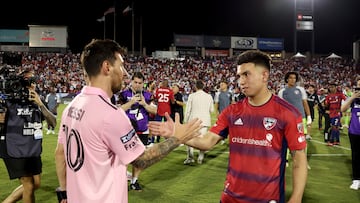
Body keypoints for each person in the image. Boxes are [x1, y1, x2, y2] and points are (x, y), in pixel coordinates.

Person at [149, 50, 308, 203]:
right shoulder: (232, 112)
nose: (241, 81)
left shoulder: (288, 113)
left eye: (246, 74)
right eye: (239, 76)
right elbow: (206, 142)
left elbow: (299, 161)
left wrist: (296, 197)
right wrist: (178, 135)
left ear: (264, 75)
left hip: (267, 199)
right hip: (230, 198)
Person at [54, 39, 202, 203]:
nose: (124, 73)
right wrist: (176, 138)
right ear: (107, 67)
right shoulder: (110, 114)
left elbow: (60, 154)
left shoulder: (72, 106)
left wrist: (64, 192)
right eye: (121, 66)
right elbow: (141, 160)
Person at [0, 70, 56, 203]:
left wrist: (40, 104)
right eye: (30, 81)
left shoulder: (37, 99)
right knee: (29, 185)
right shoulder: (9, 101)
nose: (34, 84)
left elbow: (52, 123)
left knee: (35, 184)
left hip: (32, 148)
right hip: (14, 147)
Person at [118, 71, 157, 191]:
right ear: (131, 82)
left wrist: (144, 104)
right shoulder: (124, 94)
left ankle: (134, 181)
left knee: (139, 159)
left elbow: (155, 111)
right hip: (126, 130)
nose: (137, 85)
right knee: (122, 158)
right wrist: (131, 102)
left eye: (140, 83)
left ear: (143, 84)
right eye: (135, 82)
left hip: (142, 130)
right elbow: (117, 110)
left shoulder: (148, 95)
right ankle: (120, 179)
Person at [183, 80, 214, 164]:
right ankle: (200, 158)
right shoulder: (209, 96)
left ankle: (190, 157)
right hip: (204, 121)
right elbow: (211, 110)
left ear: (195, 87)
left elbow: (188, 110)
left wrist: (186, 121)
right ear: (203, 87)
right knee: (202, 139)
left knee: (189, 139)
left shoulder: (192, 96)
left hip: (193, 121)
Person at [341, 77, 360, 190]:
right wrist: (352, 97)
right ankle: (357, 179)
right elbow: (342, 109)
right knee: (356, 156)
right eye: (358, 86)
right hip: (355, 131)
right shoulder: (353, 99)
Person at [152, 79, 175, 143]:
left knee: (156, 125)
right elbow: (173, 102)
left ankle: (153, 140)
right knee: (167, 126)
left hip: (160, 110)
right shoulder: (170, 91)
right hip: (167, 111)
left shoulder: (158, 90)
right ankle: (167, 139)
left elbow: (155, 98)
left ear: (162, 83)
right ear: (167, 84)